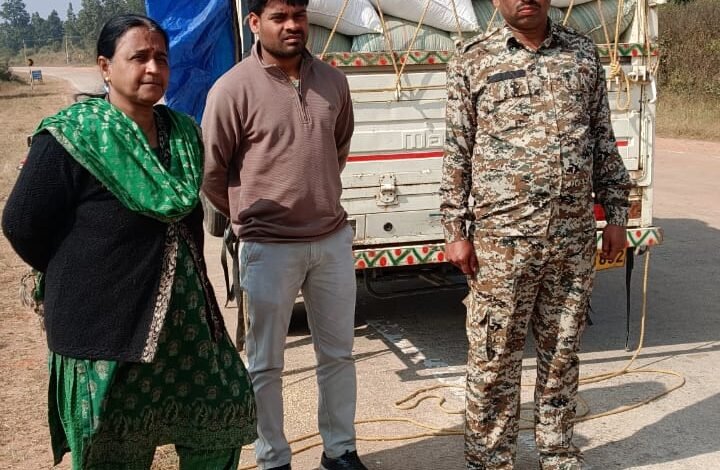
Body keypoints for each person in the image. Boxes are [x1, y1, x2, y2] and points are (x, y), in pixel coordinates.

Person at [2, 14, 256, 469]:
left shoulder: (183, 134)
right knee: (113, 448)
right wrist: (80, 276)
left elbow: (191, 224)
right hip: (105, 329)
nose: (153, 68)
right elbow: (23, 225)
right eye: (139, 57)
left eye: (162, 58)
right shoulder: (72, 136)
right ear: (105, 66)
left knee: (223, 414)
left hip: (187, 326)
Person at [440, 0, 632, 468]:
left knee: (563, 351)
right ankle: (490, 459)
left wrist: (617, 215)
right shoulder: (472, 58)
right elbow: (457, 151)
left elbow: (602, 139)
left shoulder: (582, 53)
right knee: (494, 357)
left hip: (572, 237)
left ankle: (558, 450)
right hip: (501, 241)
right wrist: (455, 229)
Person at [200, 1, 366, 469]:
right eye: (279, 17)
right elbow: (212, 172)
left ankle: (340, 451)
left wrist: (314, 197)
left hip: (331, 240)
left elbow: (337, 147)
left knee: (338, 355)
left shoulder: (333, 82)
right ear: (254, 23)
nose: (292, 26)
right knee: (265, 362)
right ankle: (273, 458)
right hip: (267, 246)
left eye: (299, 15)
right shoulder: (231, 89)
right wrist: (247, 218)